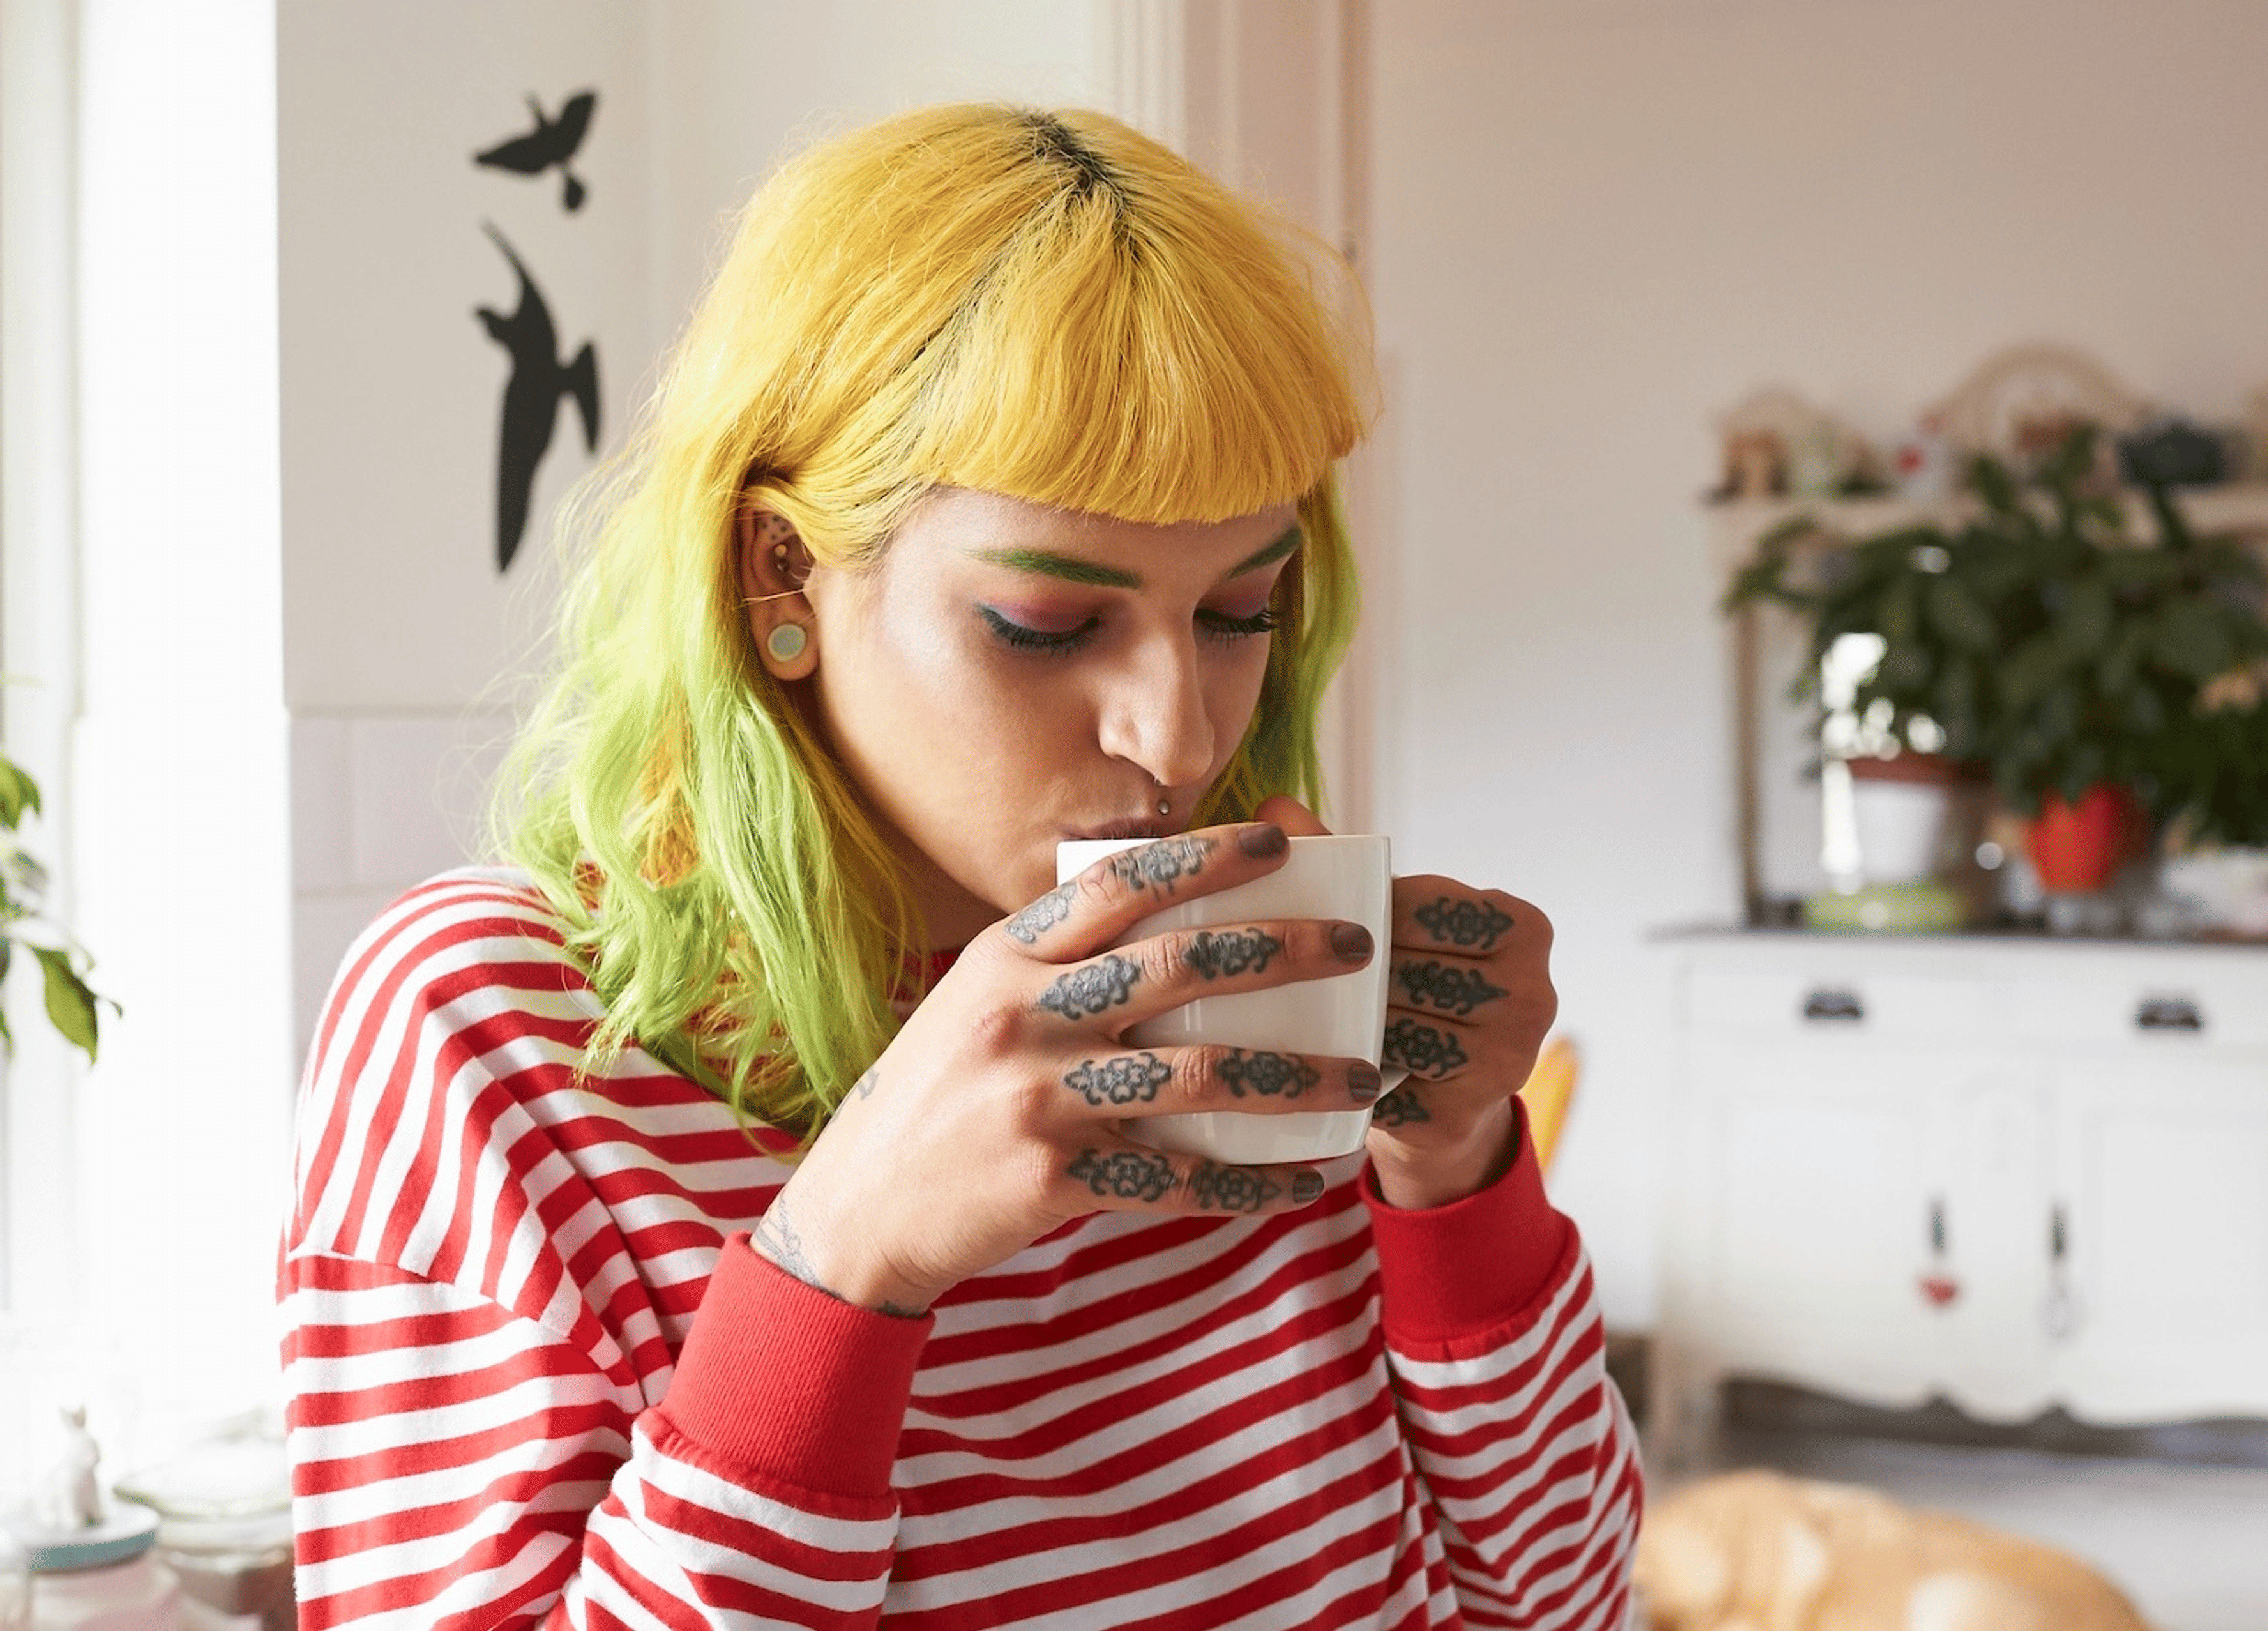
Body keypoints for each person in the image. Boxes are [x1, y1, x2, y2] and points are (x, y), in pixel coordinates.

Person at [280, 103, 1640, 1628]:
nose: (1180, 731)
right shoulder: (494, 1029)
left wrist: (1457, 1187)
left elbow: (1563, 1605)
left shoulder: (1264, 983)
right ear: (780, 573)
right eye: (1048, 625)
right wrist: (841, 1262)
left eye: (1239, 609)